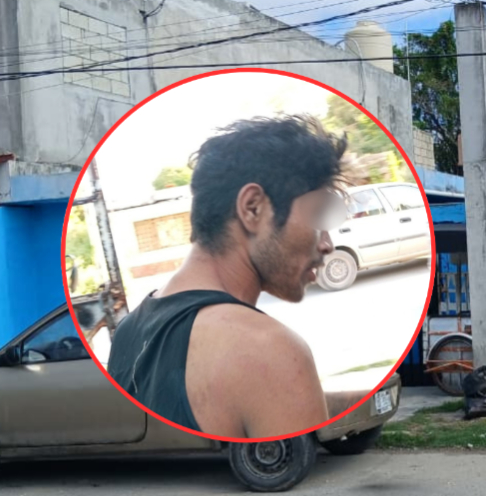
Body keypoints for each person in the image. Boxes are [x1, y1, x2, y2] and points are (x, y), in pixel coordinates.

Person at [106, 114, 352, 438]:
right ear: (253, 208)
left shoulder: (129, 331)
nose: (327, 244)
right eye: (317, 214)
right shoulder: (267, 349)